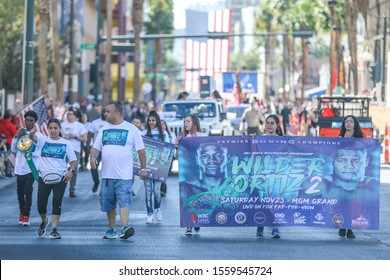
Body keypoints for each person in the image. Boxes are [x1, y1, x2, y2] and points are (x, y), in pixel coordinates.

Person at [299, 137, 379, 239]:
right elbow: (296, 212)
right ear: (332, 161)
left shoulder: (373, 187)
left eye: (356, 161)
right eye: (342, 160)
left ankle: (349, 228)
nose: (349, 166)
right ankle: (345, 226)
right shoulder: (316, 185)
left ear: (366, 161)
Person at [90, 103, 147, 240]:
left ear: (116, 113)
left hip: (124, 175)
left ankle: (125, 227)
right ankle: (112, 229)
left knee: (124, 200)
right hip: (107, 174)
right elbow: (96, 148)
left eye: (107, 111)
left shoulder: (132, 129)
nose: (105, 114)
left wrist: (143, 169)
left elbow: (141, 150)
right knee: (109, 203)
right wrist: (92, 157)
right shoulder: (104, 129)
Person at [30, 118, 78, 239]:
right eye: (50, 128)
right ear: (48, 129)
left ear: (59, 129)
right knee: (41, 205)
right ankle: (44, 221)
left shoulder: (66, 143)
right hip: (43, 177)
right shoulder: (42, 140)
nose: (53, 130)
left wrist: (70, 171)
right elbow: (33, 138)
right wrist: (31, 133)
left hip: (61, 177)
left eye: (55, 128)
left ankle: (54, 229)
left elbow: (73, 161)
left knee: (57, 203)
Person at [11, 110, 44, 226]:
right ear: (24, 120)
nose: (29, 122)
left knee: (27, 191)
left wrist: (31, 152)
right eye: (27, 120)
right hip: (19, 168)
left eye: (31, 120)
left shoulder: (38, 135)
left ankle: (26, 216)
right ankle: (21, 212)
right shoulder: (20, 132)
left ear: (35, 122)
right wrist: (15, 137)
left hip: (31, 168)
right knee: (20, 192)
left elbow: (41, 151)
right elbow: (14, 150)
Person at [175, 114, 206, 235]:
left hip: (200, 173)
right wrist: (177, 146)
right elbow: (176, 157)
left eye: (188, 121)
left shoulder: (202, 136)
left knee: (198, 198)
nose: (185, 124)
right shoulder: (183, 138)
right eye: (184, 121)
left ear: (194, 123)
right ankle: (189, 224)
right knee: (187, 198)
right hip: (186, 173)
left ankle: (196, 220)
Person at [337, 115, 364, 239]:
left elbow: (369, 149)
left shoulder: (361, 139)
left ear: (355, 124)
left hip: (355, 177)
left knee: (353, 202)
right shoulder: (339, 138)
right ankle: (343, 225)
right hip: (341, 176)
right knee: (343, 201)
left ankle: (350, 228)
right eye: (346, 121)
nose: (348, 123)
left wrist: (377, 142)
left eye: (351, 121)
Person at [256, 114, 283, 239]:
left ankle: (275, 228)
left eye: (272, 123)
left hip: (277, 176)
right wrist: (250, 139)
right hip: (261, 175)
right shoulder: (259, 139)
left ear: (277, 125)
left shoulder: (282, 140)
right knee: (262, 202)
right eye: (267, 123)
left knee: (275, 202)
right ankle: (260, 224)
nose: (269, 125)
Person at [142, 111, 170, 224]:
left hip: (159, 167)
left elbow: (168, 148)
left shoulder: (164, 133)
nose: (151, 122)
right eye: (149, 120)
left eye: (153, 120)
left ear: (157, 121)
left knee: (156, 191)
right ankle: (149, 214)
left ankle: (157, 209)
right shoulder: (143, 133)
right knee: (148, 191)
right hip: (147, 166)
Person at [61, 107, 87, 197]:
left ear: (75, 116)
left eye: (70, 114)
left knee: (73, 170)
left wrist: (75, 137)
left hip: (75, 150)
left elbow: (85, 139)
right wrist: (64, 138)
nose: (68, 115)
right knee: (61, 169)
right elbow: (57, 137)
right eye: (67, 114)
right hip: (63, 150)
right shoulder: (62, 125)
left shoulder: (79, 125)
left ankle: (72, 189)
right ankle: (60, 187)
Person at [86, 109, 107, 193]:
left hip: (108, 150)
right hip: (97, 149)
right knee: (93, 167)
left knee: (107, 169)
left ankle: (105, 188)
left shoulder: (112, 123)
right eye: (103, 112)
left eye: (107, 112)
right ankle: (96, 181)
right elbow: (89, 135)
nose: (105, 114)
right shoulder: (95, 123)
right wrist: (88, 147)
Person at [160, 120, 176, 196]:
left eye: (163, 124)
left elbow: (173, 145)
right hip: (159, 156)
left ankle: (162, 188)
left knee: (165, 173)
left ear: (166, 125)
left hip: (169, 156)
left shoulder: (171, 135)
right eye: (160, 124)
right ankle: (162, 189)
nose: (161, 126)